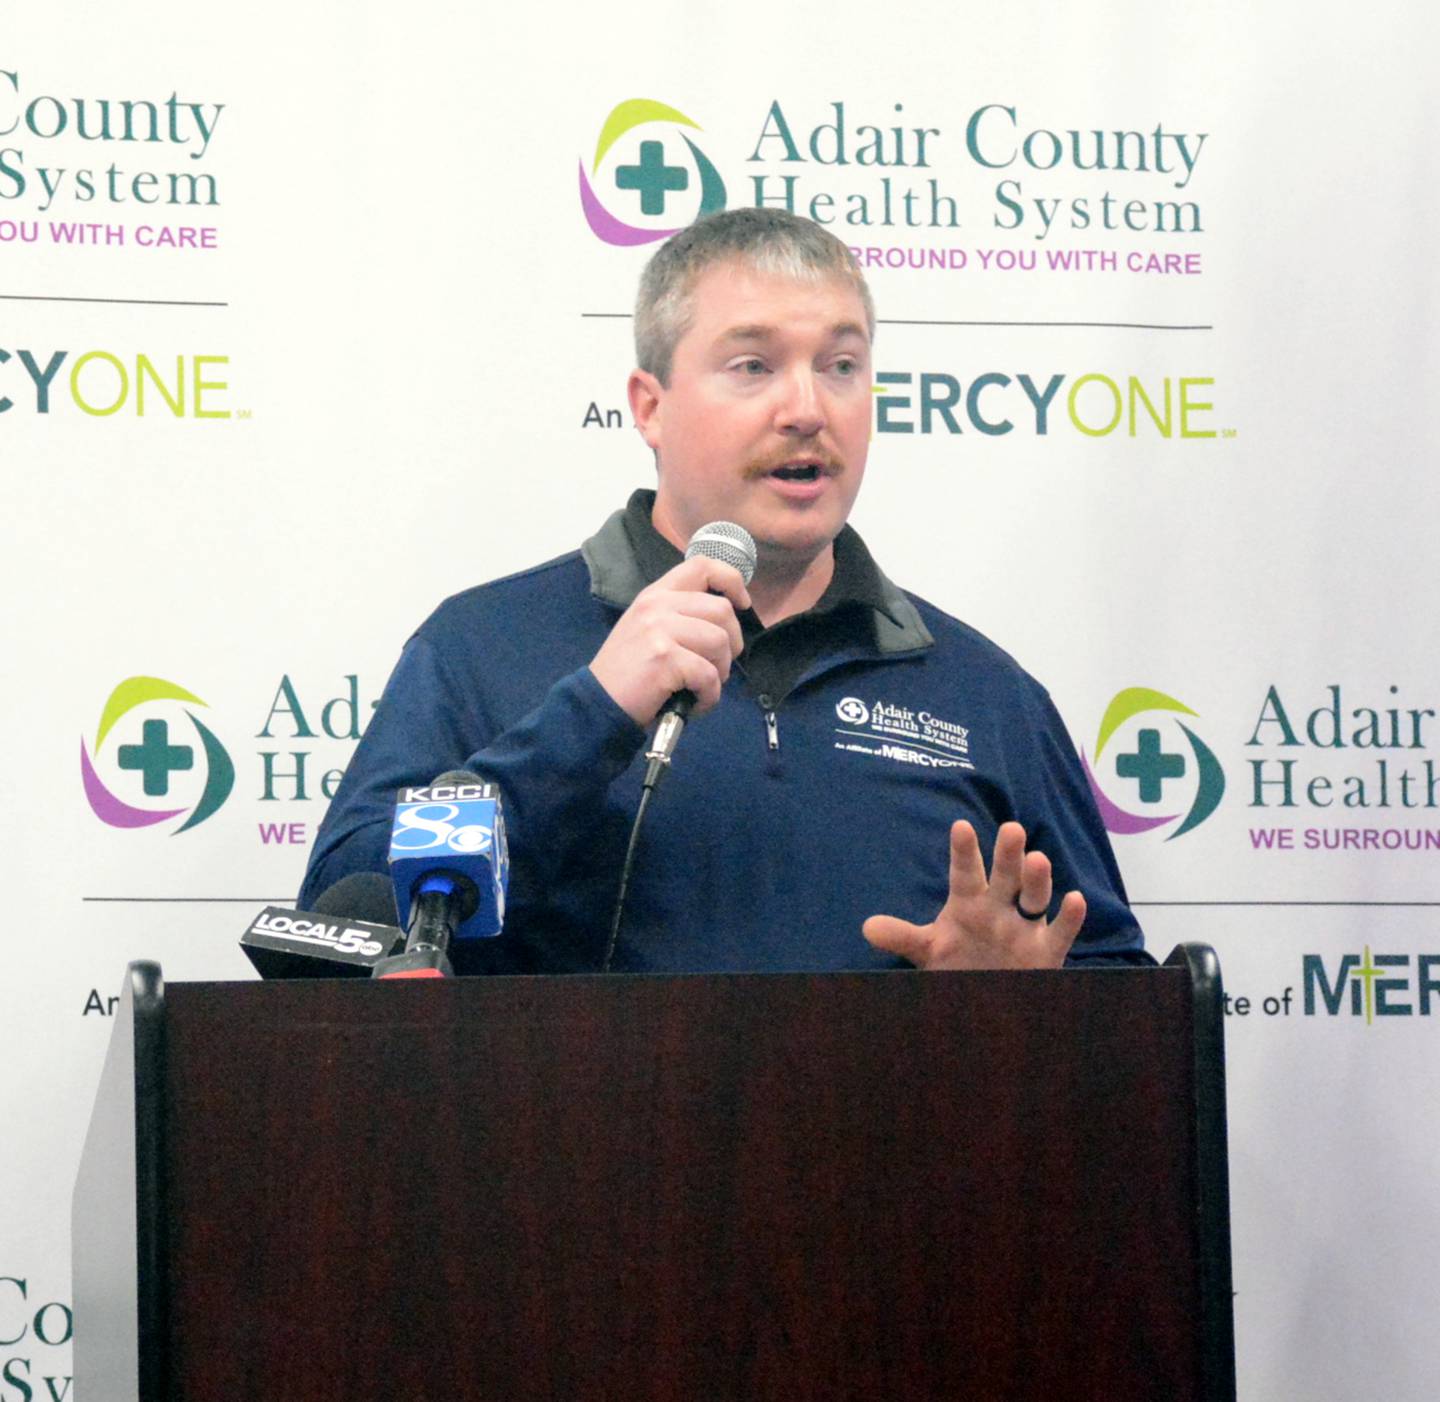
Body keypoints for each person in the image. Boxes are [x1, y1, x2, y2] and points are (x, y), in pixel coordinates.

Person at [300, 207, 1149, 974]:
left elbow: (1127, 1014)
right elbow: (345, 924)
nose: (808, 407)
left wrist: (1021, 1017)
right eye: (753, 365)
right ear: (651, 407)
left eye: (842, 364)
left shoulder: (985, 694)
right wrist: (594, 712)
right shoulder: (483, 647)